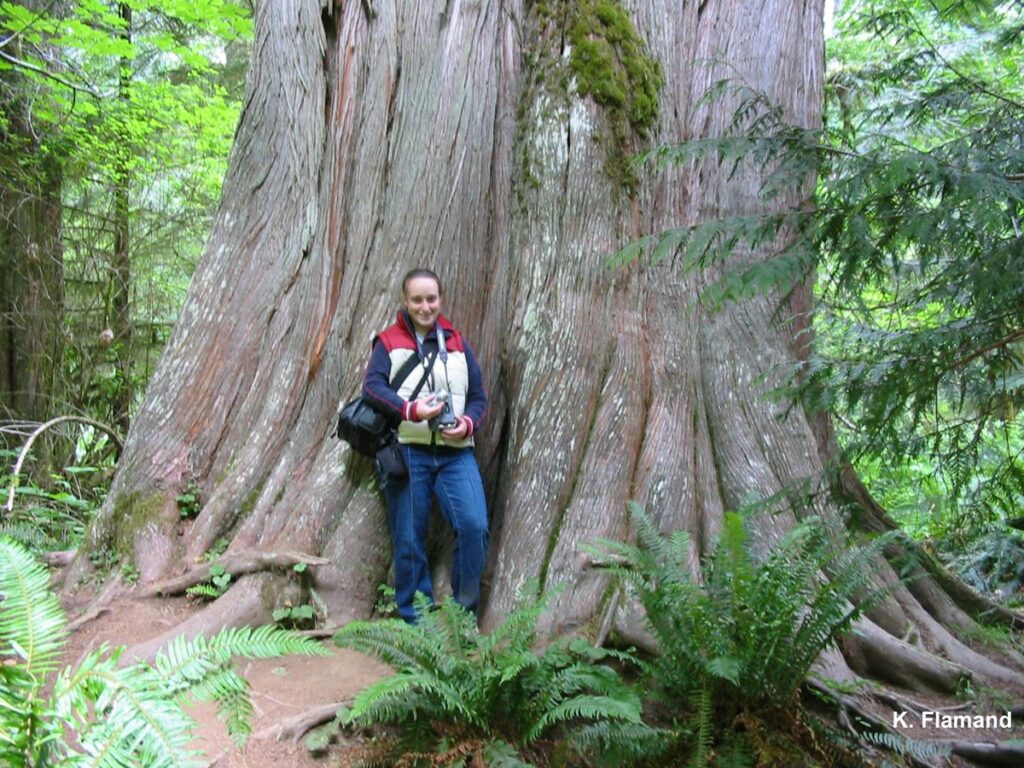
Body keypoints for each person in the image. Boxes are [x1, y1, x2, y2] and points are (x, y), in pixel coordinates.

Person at [362, 268, 489, 623]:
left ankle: (464, 618)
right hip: (408, 451)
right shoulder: (389, 341)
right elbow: (371, 388)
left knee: (474, 525)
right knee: (409, 540)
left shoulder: (457, 342)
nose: (425, 306)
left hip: (455, 452)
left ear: (440, 299)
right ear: (406, 301)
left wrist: (467, 423)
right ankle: (417, 623)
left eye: (431, 298)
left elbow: (478, 397)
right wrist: (410, 410)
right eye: (417, 299)